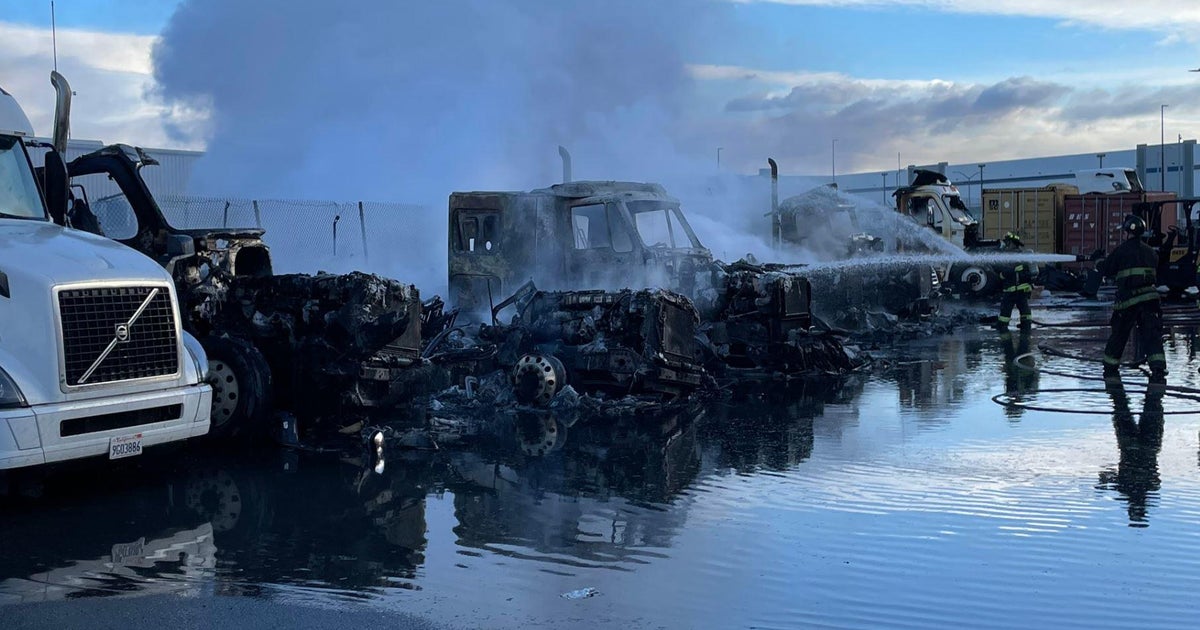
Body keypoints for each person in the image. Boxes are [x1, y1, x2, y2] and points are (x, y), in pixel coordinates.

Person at [1095, 214, 1167, 384]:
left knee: (1119, 334)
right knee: (1152, 335)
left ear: (1127, 232)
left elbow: (1106, 269)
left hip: (1128, 301)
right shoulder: (1151, 252)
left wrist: (1097, 260)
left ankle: (1110, 369)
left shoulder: (1122, 250)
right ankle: (1158, 368)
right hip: (1150, 300)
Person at [995, 232, 1037, 330]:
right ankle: (1026, 324)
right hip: (1023, 289)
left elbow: (1007, 272)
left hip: (1012, 290)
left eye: (1007, 243)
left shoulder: (1013, 256)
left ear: (1012, 243)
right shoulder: (1022, 255)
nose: (1006, 246)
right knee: (1024, 308)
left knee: (1006, 309)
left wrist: (1001, 275)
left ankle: (1002, 326)